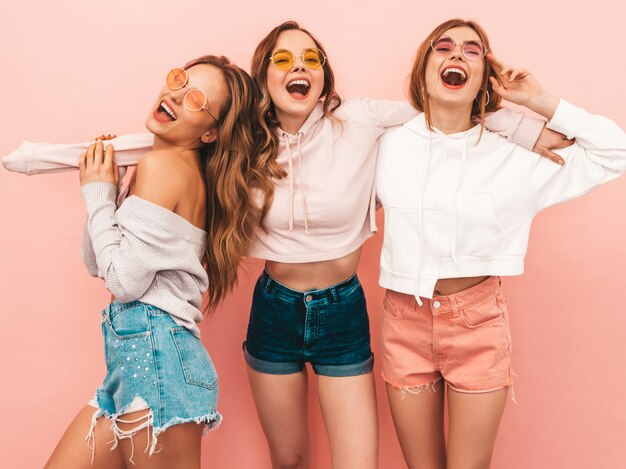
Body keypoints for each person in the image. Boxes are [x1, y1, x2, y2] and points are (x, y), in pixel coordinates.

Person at [242, 21, 565, 469]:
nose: (299, 66)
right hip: (273, 307)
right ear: (263, 75)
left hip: (341, 308)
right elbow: (179, 145)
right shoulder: (243, 140)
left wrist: (522, 126)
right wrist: (112, 165)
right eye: (283, 59)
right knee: (289, 459)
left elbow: (443, 108)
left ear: (323, 75)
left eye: (311, 58)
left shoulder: (357, 118)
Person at [376, 18, 626, 469]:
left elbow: (616, 150)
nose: (456, 55)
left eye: (472, 51)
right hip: (403, 319)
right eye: (443, 47)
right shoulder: (387, 146)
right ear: (423, 71)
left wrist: (536, 102)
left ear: (485, 79)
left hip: (477, 323)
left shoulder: (515, 157)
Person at [44, 55, 270, 469]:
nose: (175, 95)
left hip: (158, 359)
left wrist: (96, 195)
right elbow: (97, 261)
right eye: (179, 81)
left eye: (196, 99)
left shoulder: (163, 166)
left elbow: (123, 282)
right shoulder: (163, 167)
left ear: (210, 133)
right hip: (134, 362)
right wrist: (107, 191)